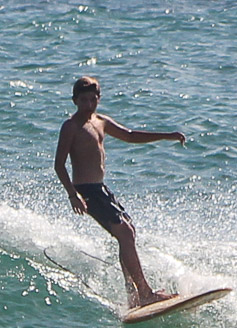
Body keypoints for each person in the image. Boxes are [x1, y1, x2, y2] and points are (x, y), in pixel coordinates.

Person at [54, 75, 186, 309]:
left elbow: (131, 135)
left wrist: (166, 135)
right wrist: (73, 195)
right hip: (86, 191)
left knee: (128, 233)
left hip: (101, 189)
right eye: (83, 100)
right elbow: (59, 164)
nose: (88, 105)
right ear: (74, 100)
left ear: (98, 99)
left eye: (92, 100)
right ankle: (145, 293)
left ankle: (133, 295)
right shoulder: (71, 127)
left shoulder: (100, 121)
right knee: (124, 233)